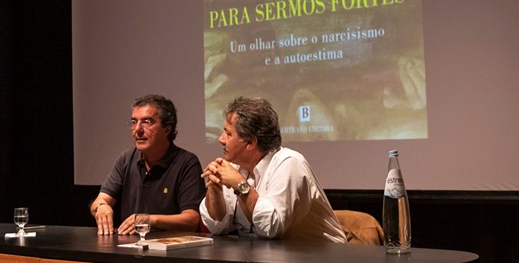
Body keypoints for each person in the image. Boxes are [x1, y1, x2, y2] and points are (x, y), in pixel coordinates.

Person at [200, 97, 346, 242]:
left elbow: (271, 227)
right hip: (268, 253)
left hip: (320, 253)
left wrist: (240, 185)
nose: (221, 139)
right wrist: (215, 189)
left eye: (228, 134)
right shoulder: (234, 167)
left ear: (250, 142)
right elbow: (217, 227)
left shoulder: (289, 163)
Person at [90, 94, 206, 235]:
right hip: (130, 244)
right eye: (134, 122)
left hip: (169, 245)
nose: (137, 129)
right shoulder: (126, 159)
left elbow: (192, 220)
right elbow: (100, 200)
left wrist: (149, 220)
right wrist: (101, 207)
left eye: (146, 122)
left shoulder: (186, 162)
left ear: (167, 128)